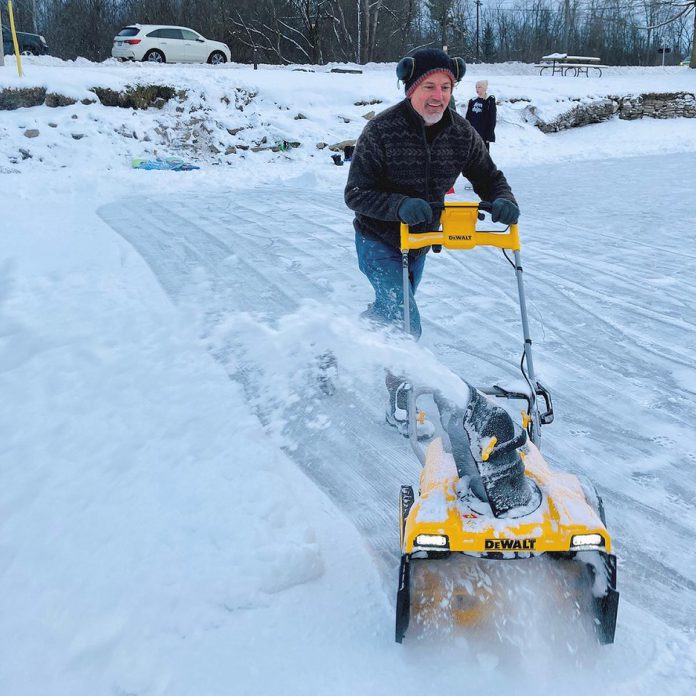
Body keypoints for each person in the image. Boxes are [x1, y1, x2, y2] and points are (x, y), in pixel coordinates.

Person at [344, 48, 519, 436]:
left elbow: (489, 176)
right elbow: (355, 193)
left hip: (420, 241)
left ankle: (338, 338)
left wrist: (505, 200)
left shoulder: (460, 132)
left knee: (391, 312)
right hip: (378, 239)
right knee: (406, 322)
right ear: (410, 88)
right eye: (429, 86)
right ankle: (401, 401)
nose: (438, 95)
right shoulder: (381, 130)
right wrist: (399, 205)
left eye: (446, 86)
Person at [465, 79, 497, 150]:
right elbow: (468, 118)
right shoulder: (472, 101)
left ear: (484, 88)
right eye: (476, 87)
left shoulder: (489, 101)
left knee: (483, 154)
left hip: (484, 134)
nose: (477, 89)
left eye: (479, 87)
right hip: (473, 133)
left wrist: (490, 135)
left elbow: (492, 119)